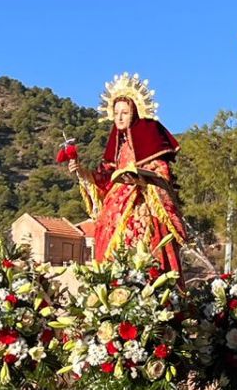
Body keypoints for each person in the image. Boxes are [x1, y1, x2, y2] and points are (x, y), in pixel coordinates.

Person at [73, 72, 190, 275]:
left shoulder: (149, 143)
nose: (119, 117)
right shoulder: (118, 147)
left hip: (141, 201)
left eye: (124, 113)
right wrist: (82, 171)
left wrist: (142, 178)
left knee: (144, 239)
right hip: (115, 204)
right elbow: (105, 177)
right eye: (116, 112)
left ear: (134, 113)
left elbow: (161, 173)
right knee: (108, 238)